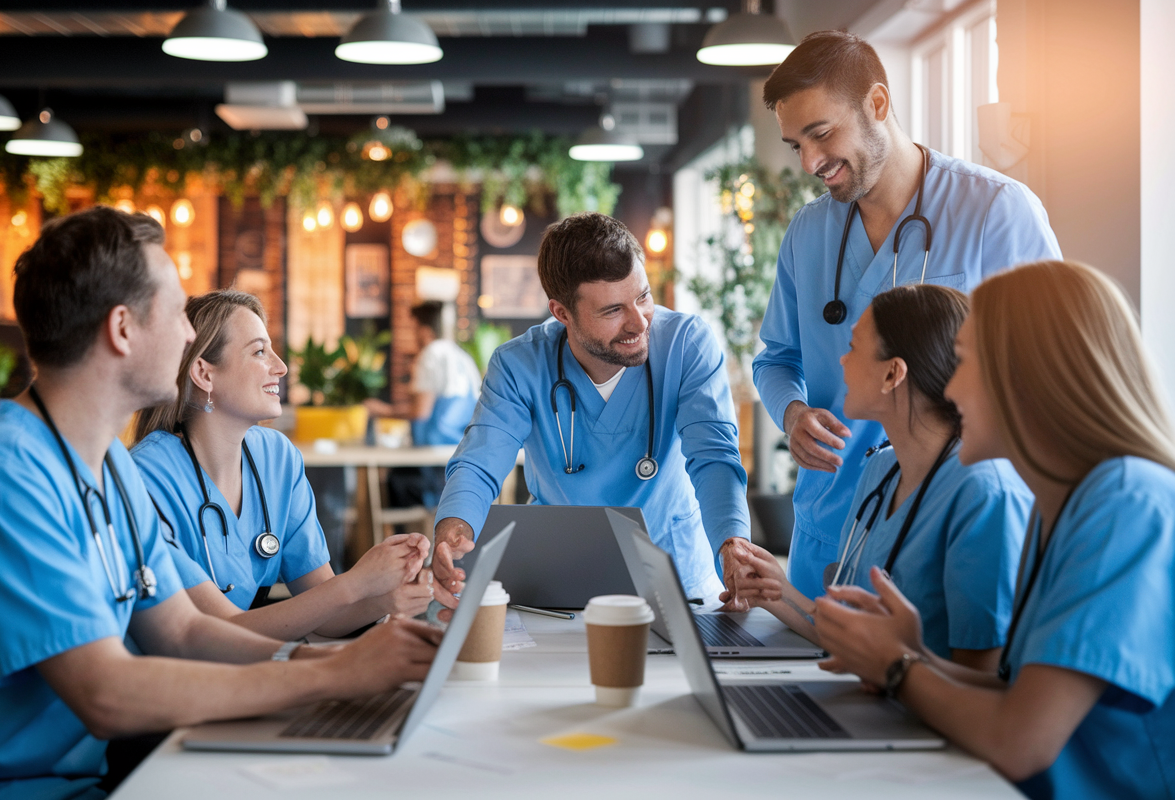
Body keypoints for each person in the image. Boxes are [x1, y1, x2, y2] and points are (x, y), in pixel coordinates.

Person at [0, 207, 441, 799]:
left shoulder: (109, 468)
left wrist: (355, 670)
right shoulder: (1, 472)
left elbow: (183, 633)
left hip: (75, 777)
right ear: (122, 329)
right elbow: (105, 692)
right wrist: (334, 674)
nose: (188, 335)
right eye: (178, 312)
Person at [811, 261, 1174, 799]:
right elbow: (1015, 693)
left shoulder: (1129, 505)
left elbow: (1020, 739)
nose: (950, 388)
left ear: (1028, 377)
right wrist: (917, 655)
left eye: (963, 362)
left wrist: (898, 667)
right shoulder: (1065, 507)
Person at [752, 30, 1061, 600]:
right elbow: (776, 359)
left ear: (877, 104)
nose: (810, 162)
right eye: (796, 144)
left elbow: (1049, 372)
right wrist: (793, 414)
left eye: (821, 134)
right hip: (830, 520)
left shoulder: (997, 211)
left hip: (951, 521)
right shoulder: (808, 233)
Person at [430, 212, 752, 607]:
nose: (639, 322)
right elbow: (480, 463)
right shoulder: (519, 365)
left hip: (677, 579)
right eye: (613, 310)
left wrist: (734, 543)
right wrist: (454, 529)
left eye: (643, 297)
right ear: (562, 313)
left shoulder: (687, 345)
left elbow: (714, 457)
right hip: (560, 579)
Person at [721, 284, 1030, 670]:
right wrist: (778, 592)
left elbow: (979, 678)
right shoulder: (880, 470)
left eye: (853, 348)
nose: (842, 361)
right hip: (869, 697)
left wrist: (894, 668)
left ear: (892, 374)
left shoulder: (984, 494)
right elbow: (853, 641)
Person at [131, 289, 433, 642]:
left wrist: (388, 596)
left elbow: (322, 613)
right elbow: (220, 633)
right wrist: (356, 582)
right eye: (259, 351)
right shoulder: (147, 478)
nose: (281, 366)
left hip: (243, 669)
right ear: (204, 374)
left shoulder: (277, 458)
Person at [365, 300, 482, 507]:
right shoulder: (463, 357)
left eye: (413, 328)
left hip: (430, 461)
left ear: (424, 329)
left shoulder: (430, 355)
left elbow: (420, 412)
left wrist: (381, 410)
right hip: (459, 459)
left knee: (389, 485)